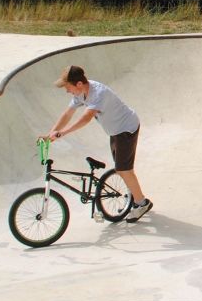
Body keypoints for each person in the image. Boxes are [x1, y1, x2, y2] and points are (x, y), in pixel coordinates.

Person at [44, 65, 153, 222]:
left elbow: (86, 118)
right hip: (115, 131)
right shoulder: (81, 93)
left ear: (79, 84)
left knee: (123, 169)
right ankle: (134, 196)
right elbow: (67, 114)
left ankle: (141, 203)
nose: (68, 91)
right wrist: (51, 133)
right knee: (122, 168)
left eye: (68, 88)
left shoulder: (98, 94)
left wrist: (63, 133)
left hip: (126, 128)